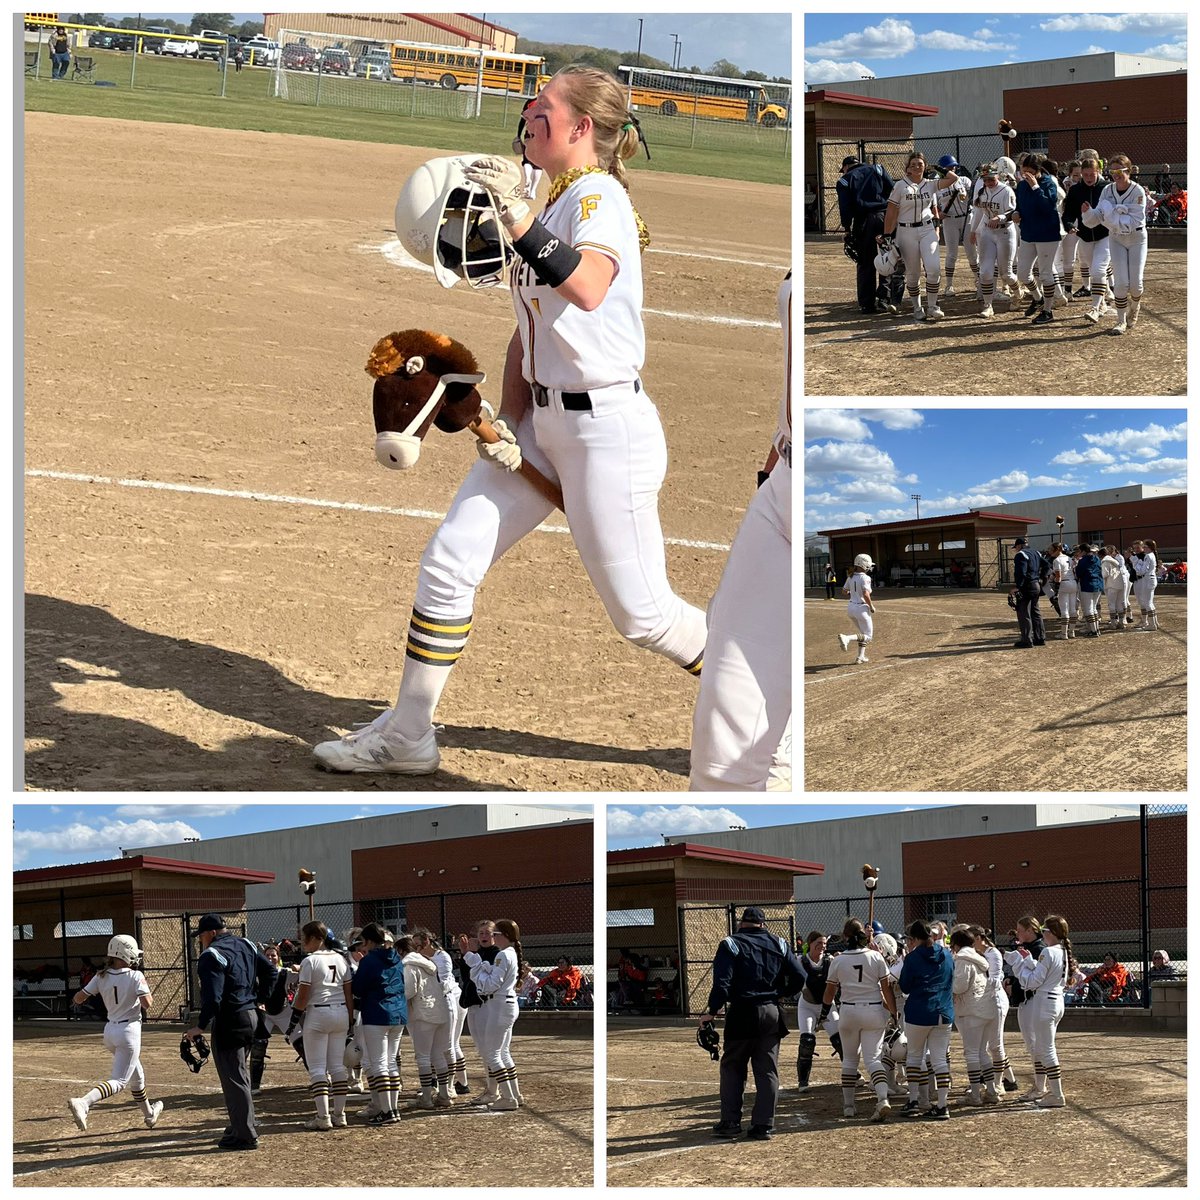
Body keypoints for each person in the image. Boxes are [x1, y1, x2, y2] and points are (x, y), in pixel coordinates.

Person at [314, 65, 707, 775]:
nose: (529, 114)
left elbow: (584, 287)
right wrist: (506, 425)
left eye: (545, 107)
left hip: (605, 432)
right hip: (543, 428)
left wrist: (519, 218)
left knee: (643, 617)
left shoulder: (598, 199)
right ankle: (408, 735)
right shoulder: (551, 201)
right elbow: (527, 333)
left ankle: (765, 702)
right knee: (449, 561)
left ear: (582, 128)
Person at [700, 907, 804, 1141]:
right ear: (763, 924)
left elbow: (722, 984)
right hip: (771, 1011)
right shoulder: (779, 943)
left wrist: (712, 1011)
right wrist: (781, 993)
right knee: (767, 1069)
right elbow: (800, 976)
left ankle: (730, 1122)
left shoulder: (730, 944)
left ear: (741, 924)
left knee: (733, 1067)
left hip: (742, 1011)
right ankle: (763, 1125)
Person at [184, 914, 277, 1151]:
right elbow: (271, 971)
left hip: (231, 1019)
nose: (200, 941)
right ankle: (242, 1124)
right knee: (240, 1074)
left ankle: (245, 1134)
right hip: (252, 1015)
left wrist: (200, 1026)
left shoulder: (211, 955)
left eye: (202, 936)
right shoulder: (245, 943)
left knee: (234, 1078)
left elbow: (212, 998)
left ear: (212, 933)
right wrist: (262, 999)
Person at [66, 935, 163, 1133]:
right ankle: (84, 1102)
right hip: (129, 1032)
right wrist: (138, 987)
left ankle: (149, 1115)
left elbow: (78, 998)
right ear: (125, 953)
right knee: (119, 1081)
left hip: (110, 1031)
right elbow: (148, 1004)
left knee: (137, 1076)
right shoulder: (135, 976)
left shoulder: (101, 976)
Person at [822, 919, 896, 1122]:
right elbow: (887, 989)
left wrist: (824, 1012)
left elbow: (830, 991)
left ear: (845, 937)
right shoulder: (875, 957)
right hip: (873, 1011)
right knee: (873, 1059)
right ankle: (882, 1099)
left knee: (850, 1060)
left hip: (848, 1011)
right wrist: (894, 1012)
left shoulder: (838, 960)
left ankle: (848, 1106)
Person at [879, 151, 960, 322]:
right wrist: (887, 235)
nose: (917, 167)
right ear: (907, 169)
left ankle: (932, 306)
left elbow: (953, 179)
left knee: (934, 268)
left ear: (925, 166)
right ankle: (917, 307)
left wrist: (937, 168)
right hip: (905, 231)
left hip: (927, 229)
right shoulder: (900, 186)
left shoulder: (930, 184)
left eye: (920, 164)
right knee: (913, 273)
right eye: (913, 164)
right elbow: (891, 213)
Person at [289, 920, 353, 1131]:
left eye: (305, 938)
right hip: (341, 1011)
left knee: (318, 1068)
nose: (302, 942)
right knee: (337, 1066)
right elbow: (348, 992)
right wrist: (350, 1017)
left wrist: (294, 1017)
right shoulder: (341, 959)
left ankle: (323, 1116)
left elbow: (303, 995)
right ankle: (340, 1114)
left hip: (318, 1012)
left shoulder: (310, 961)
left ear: (317, 938)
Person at [1005, 914, 1073, 1107]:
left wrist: (1018, 965)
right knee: (1045, 1048)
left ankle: (1057, 1094)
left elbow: (1033, 981)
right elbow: (1044, 973)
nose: (1042, 934)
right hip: (1056, 1001)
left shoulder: (1049, 951)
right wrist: (1027, 961)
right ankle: (1051, 1092)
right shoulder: (1061, 950)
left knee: (1046, 1050)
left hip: (1045, 1003)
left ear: (1049, 933)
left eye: (1044, 931)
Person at [1081, 153, 1148, 335]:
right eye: (1112, 171)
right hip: (1116, 238)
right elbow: (1097, 217)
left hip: (1136, 238)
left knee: (1135, 284)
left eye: (1120, 170)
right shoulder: (1107, 190)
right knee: (1120, 283)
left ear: (1129, 171)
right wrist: (1088, 213)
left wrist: (1111, 216)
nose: (1115, 174)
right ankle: (1121, 320)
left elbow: (1135, 219)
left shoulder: (1137, 191)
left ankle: (1135, 306)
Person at [459, 918, 523, 1111]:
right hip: (503, 1004)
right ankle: (514, 1095)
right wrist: (475, 962)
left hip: (499, 1004)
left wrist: (476, 969)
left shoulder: (503, 955)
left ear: (503, 936)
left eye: (494, 934)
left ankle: (509, 1098)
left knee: (493, 1054)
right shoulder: (508, 953)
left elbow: (490, 984)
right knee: (502, 1053)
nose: (490, 937)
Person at [897, 920, 954, 1120]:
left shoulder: (912, 958)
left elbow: (905, 986)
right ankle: (942, 1105)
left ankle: (914, 1101)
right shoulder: (946, 954)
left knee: (914, 1057)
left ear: (914, 939)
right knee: (939, 1060)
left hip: (919, 1012)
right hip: (944, 1011)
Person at [351, 922, 405, 1124]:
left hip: (377, 1013)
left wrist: (359, 967)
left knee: (380, 1064)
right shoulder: (396, 957)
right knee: (391, 1063)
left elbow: (358, 988)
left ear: (369, 941)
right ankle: (393, 1109)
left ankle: (387, 1110)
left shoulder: (370, 960)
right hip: (398, 1012)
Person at [836, 154, 902, 314]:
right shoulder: (878, 169)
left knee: (865, 261)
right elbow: (893, 192)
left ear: (846, 167)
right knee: (886, 257)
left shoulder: (844, 180)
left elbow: (845, 208)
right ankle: (884, 299)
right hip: (885, 217)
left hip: (864, 220)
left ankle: (867, 303)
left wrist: (847, 229)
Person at [1012, 153, 1064, 326]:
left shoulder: (1048, 183)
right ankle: (1038, 298)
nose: (1025, 174)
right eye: (1023, 170)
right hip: (1028, 232)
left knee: (1045, 273)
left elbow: (1048, 206)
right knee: (1023, 273)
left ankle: (1048, 310)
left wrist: (1035, 187)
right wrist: (1016, 213)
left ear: (1038, 170)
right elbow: (1019, 205)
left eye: (1030, 171)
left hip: (1047, 234)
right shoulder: (1021, 186)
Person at [404, 927, 453, 1109]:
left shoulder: (410, 965)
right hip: (441, 1010)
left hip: (423, 1013)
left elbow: (409, 991)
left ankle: (426, 1097)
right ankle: (444, 1094)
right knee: (438, 1055)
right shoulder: (431, 963)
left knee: (423, 1056)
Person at [1063, 152, 1113, 319]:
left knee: (1099, 271)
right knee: (1094, 270)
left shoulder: (1106, 188)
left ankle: (1094, 308)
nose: (1089, 177)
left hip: (1105, 235)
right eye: (1085, 175)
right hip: (1084, 236)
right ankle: (1103, 304)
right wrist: (1069, 225)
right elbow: (1068, 213)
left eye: (1092, 174)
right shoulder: (1076, 190)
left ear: (1098, 171)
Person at [968, 925, 1017, 1094]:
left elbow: (995, 979)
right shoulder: (973, 954)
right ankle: (1009, 1079)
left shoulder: (992, 953)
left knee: (995, 1045)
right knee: (987, 1045)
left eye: (970, 939)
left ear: (978, 938)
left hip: (995, 1000)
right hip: (982, 1001)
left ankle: (998, 1084)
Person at [967, 162, 1020, 318]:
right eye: (985, 179)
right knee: (986, 271)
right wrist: (974, 230)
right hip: (988, 232)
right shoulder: (983, 191)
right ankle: (988, 305)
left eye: (991, 178)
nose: (988, 182)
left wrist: (1000, 217)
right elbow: (980, 212)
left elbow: (1013, 211)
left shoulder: (1006, 190)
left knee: (1006, 274)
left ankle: (1018, 294)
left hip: (1005, 231)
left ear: (998, 176)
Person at [792, 930, 842, 1090]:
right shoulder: (800, 961)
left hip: (827, 1005)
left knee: (840, 1041)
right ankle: (803, 1081)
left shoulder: (831, 961)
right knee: (807, 1041)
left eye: (824, 944)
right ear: (810, 944)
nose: (821, 946)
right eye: (818, 943)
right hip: (807, 1005)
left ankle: (853, 1073)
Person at [948, 929, 994, 1106]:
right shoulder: (979, 959)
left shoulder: (962, 960)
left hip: (970, 1011)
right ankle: (991, 1090)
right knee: (982, 1052)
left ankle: (975, 1094)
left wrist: (947, 983)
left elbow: (959, 986)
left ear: (956, 945)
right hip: (984, 1009)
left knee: (972, 1053)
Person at [459, 920, 501, 1103]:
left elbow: (487, 976)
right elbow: (466, 976)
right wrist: (465, 954)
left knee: (490, 1049)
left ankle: (495, 1090)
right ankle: (491, 1088)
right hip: (473, 1005)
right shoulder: (477, 954)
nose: (483, 936)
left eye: (487, 933)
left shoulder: (497, 954)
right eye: (481, 933)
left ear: (495, 936)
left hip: (487, 1005)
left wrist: (471, 956)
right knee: (483, 1049)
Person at [1007, 915, 1048, 1100]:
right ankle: (1040, 1084)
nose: (1018, 933)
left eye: (1021, 930)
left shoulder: (1038, 949)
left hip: (1033, 1001)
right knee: (1034, 1045)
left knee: (1036, 1045)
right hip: (1027, 1001)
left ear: (1030, 930)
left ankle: (1041, 1086)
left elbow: (1034, 979)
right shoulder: (1030, 948)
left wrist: (1014, 986)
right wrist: (1012, 981)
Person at [427, 933, 469, 1094]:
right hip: (445, 1000)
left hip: (452, 999)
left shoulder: (441, 955)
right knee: (444, 1044)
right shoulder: (423, 958)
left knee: (450, 1044)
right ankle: (456, 1083)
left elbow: (442, 981)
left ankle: (456, 1084)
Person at [935, 155, 975, 299]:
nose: (952, 169)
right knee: (952, 253)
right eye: (948, 167)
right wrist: (939, 214)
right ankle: (949, 285)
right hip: (949, 221)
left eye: (953, 167)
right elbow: (934, 207)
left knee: (971, 252)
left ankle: (978, 280)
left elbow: (975, 195)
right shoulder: (937, 185)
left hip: (966, 218)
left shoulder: (964, 180)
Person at [837, 553, 876, 665]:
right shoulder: (866, 577)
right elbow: (865, 594)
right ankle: (847, 638)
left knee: (863, 634)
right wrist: (871, 606)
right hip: (861, 608)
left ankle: (860, 657)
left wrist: (853, 592)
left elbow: (844, 591)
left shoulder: (851, 576)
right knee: (868, 636)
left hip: (851, 608)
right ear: (864, 564)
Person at [1010, 537, 1046, 648]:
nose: (1016, 549)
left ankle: (1027, 640)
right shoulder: (1036, 553)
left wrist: (1017, 587)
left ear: (1019, 545)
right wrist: (1042, 578)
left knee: (1024, 612)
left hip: (1027, 585)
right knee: (1035, 612)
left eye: (1016, 547)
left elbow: (1021, 572)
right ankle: (1040, 638)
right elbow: (1047, 566)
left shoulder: (1021, 554)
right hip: (1036, 584)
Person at [1074, 544, 1104, 637]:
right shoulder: (1097, 558)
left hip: (1087, 584)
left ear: (1083, 551)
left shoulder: (1083, 560)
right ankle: (1096, 629)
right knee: (1094, 608)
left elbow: (1079, 573)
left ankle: (1094, 630)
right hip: (1098, 584)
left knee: (1088, 609)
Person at [1100, 544, 1130, 632]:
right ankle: (1121, 622)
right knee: (1119, 603)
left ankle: (1113, 623)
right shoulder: (1115, 561)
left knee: (1111, 604)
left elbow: (1104, 574)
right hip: (1120, 584)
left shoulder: (1105, 562)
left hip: (1111, 585)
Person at [1132, 538, 1160, 630]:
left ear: (1150, 547)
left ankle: (1152, 625)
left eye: (1145, 546)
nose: (1143, 548)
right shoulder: (1151, 555)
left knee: (1148, 603)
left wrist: (1135, 566)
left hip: (1148, 580)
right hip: (1150, 579)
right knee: (1149, 602)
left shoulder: (1148, 556)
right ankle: (1154, 623)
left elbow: (1143, 571)